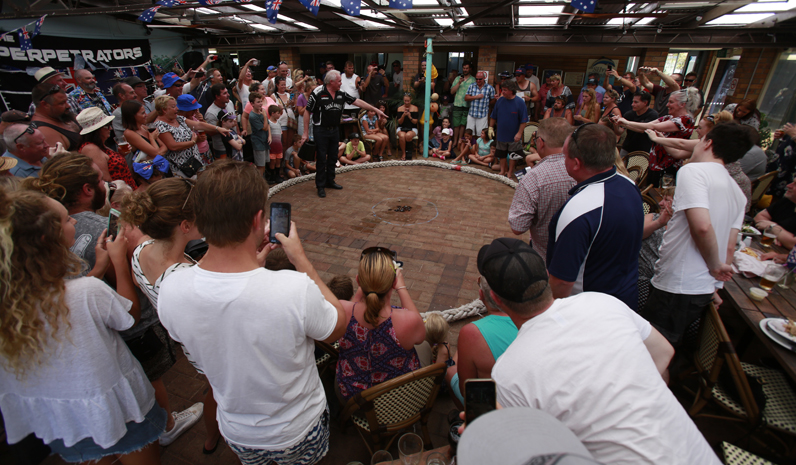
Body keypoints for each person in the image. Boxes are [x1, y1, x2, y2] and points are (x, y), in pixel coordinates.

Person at [157, 160, 346, 465]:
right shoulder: (293, 288)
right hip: (298, 427)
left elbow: (220, 318)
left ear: (200, 223)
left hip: (238, 431)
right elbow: (337, 325)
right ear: (258, 219)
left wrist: (251, 271)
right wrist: (301, 259)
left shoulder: (170, 288)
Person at [481, 238, 721, 465]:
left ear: (495, 299)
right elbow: (664, 353)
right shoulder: (602, 302)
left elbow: (527, 453)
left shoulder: (507, 373)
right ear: (545, 275)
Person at [0, 187, 166, 465]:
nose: (74, 221)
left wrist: (97, 270)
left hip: (62, 414)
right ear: (46, 238)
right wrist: (117, 262)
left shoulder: (11, 302)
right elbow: (128, 317)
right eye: (66, 219)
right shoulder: (86, 291)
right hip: (116, 405)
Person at [120, 179, 214, 452]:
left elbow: (141, 284)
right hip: (205, 349)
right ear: (185, 226)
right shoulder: (186, 279)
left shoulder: (141, 251)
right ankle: (213, 439)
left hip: (186, 342)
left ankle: (212, 439)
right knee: (219, 395)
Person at [640, 123, 752, 345]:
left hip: (677, 283)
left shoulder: (693, 171)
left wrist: (714, 267)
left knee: (652, 349)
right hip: (700, 288)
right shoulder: (738, 192)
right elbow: (729, 247)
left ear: (708, 142)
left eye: (700, 139)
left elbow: (701, 226)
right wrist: (715, 285)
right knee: (668, 346)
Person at [547, 123, 644, 310]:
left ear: (576, 163)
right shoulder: (629, 185)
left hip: (587, 311)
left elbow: (561, 283)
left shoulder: (579, 210)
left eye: (564, 156)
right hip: (623, 301)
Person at [335, 247, 425, 401]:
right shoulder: (409, 321)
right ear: (393, 283)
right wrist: (401, 288)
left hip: (354, 399)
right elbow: (420, 335)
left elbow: (354, 307)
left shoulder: (343, 310)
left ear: (358, 281)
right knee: (425, 349)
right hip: (395, 400)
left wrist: (365, 284)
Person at [302, 70, 386, 198]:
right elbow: (307, 112)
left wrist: (375, 109)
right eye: (339, 81)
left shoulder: (341, 94)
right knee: (321, 157)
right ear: (331, 82)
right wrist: (305, 133)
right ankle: (320, 185)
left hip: (335, 129)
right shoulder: (318, 92)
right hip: (321, 130)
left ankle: (330, 181)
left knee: (333, 156)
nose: (341, 83)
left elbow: (357, 101)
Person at [445, 274, 517, 407]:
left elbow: (465, 389)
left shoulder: (472, 333)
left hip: (493, 408)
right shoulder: (533, 317)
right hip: (530, 405)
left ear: (481, 295)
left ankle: (463, 418)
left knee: (451, 371)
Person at [509, 117, 575, 263]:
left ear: (540, 142)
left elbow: (518, 226)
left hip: (545, 257)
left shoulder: (533, 178)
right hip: (580, 258)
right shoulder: (583, 168)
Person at [614, 88, 700, 188]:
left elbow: (653, 127)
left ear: (682, 104)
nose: (667, 105)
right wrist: (622, 123)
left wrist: (626, 122)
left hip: (668, 167)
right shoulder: (668, 117)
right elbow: (647, 125)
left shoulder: (686, 120)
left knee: (657, 195)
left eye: (671, 102)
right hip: (655, 164)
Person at [154, 95, 228, 178]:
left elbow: (199, 125)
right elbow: (173, 146)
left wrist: (218, 128)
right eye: (173, 106)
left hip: (195, 163)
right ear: (164, 110)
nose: (177, 109)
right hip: (181, 169)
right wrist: (192, 142)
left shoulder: (179, 118)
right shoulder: (160, 125)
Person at [77, 107, 137, 188]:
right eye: (107, 126)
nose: (110, 128)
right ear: (97, 130)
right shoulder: (91, 149)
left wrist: (121, 155)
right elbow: (106, 181)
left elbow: (111, 166)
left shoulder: (98, 145)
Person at [489, 80, 528, 179]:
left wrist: (519, 133)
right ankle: (503, 171)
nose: (503, 92)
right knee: (501, 153)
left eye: (505, 90)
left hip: (514, 134)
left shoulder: (520, 103)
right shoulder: (500, 101)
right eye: (503, 90)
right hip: (501, 133)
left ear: (511, 90)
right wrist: (490, 127)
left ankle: (510, 172)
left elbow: (524, 121)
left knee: (513, 155)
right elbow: (493, 116)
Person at [30, 84, 81, 151]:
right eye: (62, 103)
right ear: (44, 104)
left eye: (66, 101)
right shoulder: (44, 132)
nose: (68, 106)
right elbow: (65, 160)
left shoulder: (61, 115)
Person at [754, 180, 796, 250]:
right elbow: (759, 217)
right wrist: (776, 233)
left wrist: (773, 227)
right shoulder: (788, 200)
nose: (788, 185)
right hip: (770, 247)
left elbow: (793, 244)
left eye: (795, 184)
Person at [618, 92, 658, 158]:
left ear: (645, 103)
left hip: (643, 150)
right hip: (627, 148)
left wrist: (625, 124)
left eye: (636, 102)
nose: (632, 104)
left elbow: (642, 130)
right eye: (632, 102)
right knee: (620, 167)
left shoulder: (652, 114)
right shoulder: (629, 114)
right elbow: (619, 131)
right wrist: (615, 123)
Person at [204, 83, 238, 159]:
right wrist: (224, 127)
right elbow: (210, 133)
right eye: (225, 93)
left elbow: (235, 122)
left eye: (227, 92)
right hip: (222, 148)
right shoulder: (211, 113)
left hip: (235, 145)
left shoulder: (230, 103)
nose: (228, 95)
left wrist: (238, 136)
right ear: (217, 96)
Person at [450, 62, 476, 147]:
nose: (465, 70)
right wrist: (459, 83)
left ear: (470, 69)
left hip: (467, 105)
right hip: (457, 104)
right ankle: (455, 141)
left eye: (467, 68)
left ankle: (460, 141)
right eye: (464, 68)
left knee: (463, 125)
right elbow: (452, 91)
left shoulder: (473, 80)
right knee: (456, 125)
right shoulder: (458, 78)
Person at [464, 72, 496, 137]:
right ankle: (471, 146)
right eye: (477, 79)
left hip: (483, 114)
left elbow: (493, 100)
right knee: (469, 133)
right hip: (472, 113)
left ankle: (479, 147)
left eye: (480, 79)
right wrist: (476, 97)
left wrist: (487, 104)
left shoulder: (490, 88)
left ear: (484, 78)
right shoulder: (472, 86)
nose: (478, 80)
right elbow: (466, 98)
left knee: (481, 134)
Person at [249, 91, 270, 177]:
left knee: (264, 163)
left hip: (265, 141)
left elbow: (268, 125)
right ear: (252, 104)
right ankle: (260, 183)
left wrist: (270, 136)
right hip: (258, 142)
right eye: (258, 102)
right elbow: (264, 127)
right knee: (260, 165)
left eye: (261, 101)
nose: (260, 103)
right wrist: (265, 116)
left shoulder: (262, 111)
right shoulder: (253, 116)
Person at [395, 93, 419, 161]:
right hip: (401, 127)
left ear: (411, 100)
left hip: (412, 128)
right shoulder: (400, 108)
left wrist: (409, 117)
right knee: (402, 136)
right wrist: (403, 115)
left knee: (408, 135)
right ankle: (403, 153)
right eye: (405, 101)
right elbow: (399, 122)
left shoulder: (415, 108)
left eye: (408, 101)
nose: (406, 102)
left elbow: (415, 122)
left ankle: (409, 152)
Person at [268, 104, 285, 184]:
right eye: (278, 113)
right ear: (272, 113)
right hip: (272, 146)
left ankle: (278, 175)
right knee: (273, 161)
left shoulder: (278, 122)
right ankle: (272, 176)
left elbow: (280, 133)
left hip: (279, 145)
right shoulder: (268, 123)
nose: (279, 114)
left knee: (278, 160)